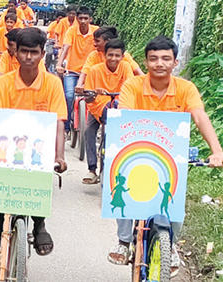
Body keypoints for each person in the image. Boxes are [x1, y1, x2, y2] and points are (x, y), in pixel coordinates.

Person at [107, 36, 223, 277]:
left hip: (171, 156)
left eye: (166, 58)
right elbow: (125, 114)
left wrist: (217, 150)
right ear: (146, 62)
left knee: (174, 198)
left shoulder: (186, 88)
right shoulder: (132, 85)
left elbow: (200, 117)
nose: (160, 63)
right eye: (154, 59)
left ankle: (170, 246)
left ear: (175, 62)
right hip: (136, 153)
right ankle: (124, 242)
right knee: (122, 190)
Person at [0, 28, 67, 282]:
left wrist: (59, 156)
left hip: (39, 150)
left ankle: (39, 225)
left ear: (43, 54)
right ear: (16, 54)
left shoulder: (52, 83)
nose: (28, 57)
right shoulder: (3, 82)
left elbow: (59, 122)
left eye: (34, 52)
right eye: (24, 52)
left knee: (37, 186)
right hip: (7, 149)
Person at [82, 39, 133, 184]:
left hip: (119, 106)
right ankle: (92, 169)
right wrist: (94, 94)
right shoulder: (95, 70)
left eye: (117, 56)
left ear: (122, 56)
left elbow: (131, 88)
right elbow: (88, 99)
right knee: (89, 131)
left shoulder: (126, 68)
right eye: (110, 55)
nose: (113, 59)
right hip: (98, 106)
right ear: (105, 55)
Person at [56, 6, 98, 135]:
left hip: (90, 74)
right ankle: (66, 127)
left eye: (86, 18)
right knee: (69, 96)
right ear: (77, 19)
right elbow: (66, 47)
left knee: (96, 98)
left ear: (90, 19)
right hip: (72, 71)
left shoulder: (96, 31)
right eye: (81, 18)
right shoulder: (71, 31)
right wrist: (59, 64)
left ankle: (94, 127)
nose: (83, 21)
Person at [75, 26, 144, 93]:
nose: (94, 44)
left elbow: (138, 71)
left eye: (97, 41)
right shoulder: (93, 56)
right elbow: (85, 72)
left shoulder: (125, 59)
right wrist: (79, 85)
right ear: (105, 55)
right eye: (110, 55)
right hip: (99, 95)